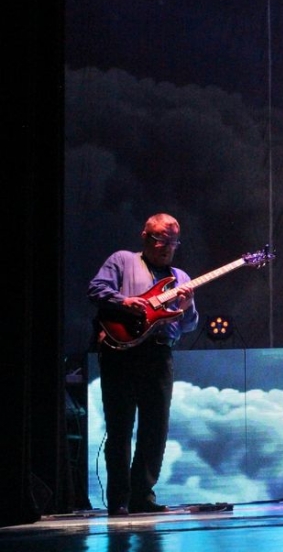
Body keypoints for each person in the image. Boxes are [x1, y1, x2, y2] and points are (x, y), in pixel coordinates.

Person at [87, 213, 200, 516]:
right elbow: (96, 289)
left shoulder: (181, 277)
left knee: (155, 428)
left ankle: (142, 496)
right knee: (120, 427)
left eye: (173, 241)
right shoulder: (122, 260)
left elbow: (188, 325)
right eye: (160, 239)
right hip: (121, 353)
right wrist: (124, 301)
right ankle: (118, 499)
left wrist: (186, 306)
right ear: (145, 236)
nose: (167, 247)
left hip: (159, 354)